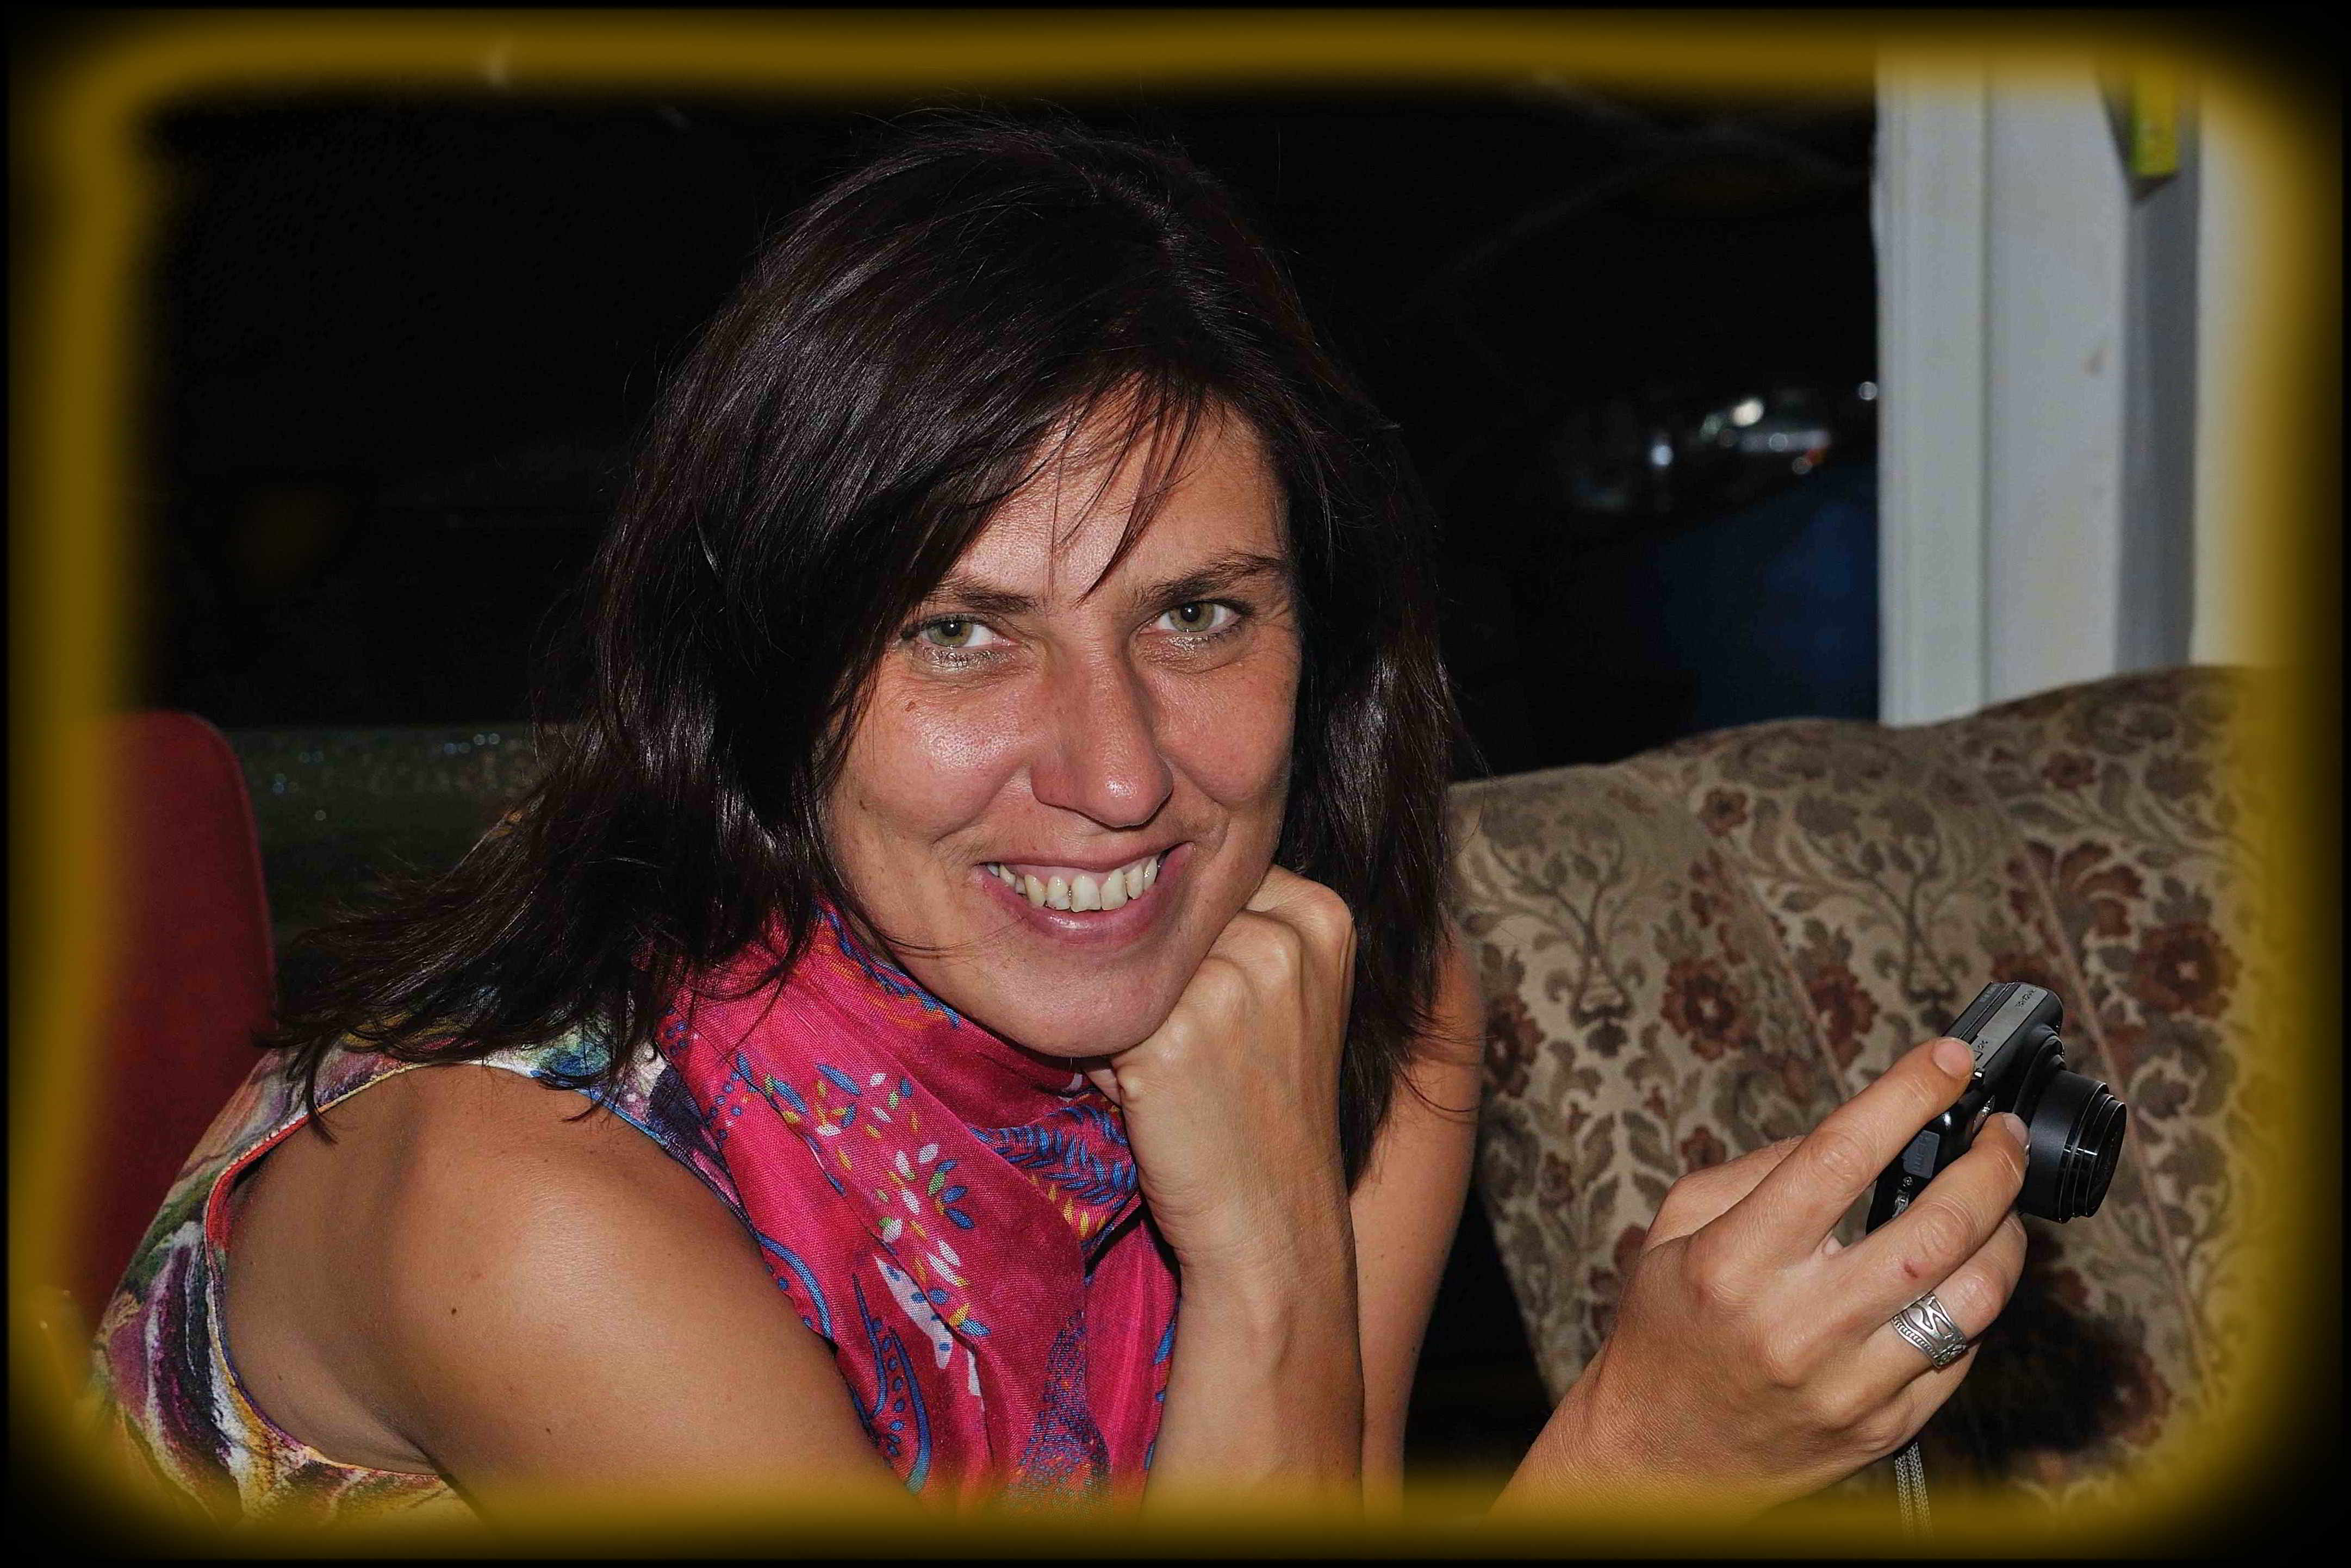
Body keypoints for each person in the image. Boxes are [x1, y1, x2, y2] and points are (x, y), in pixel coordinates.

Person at [87, 115, 2029, 1532]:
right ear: (765, 670)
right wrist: (1642, 1452)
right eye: (962, 631)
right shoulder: (537, 1210)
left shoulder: (1341, 984)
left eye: (1198, 616)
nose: (1115, 775)